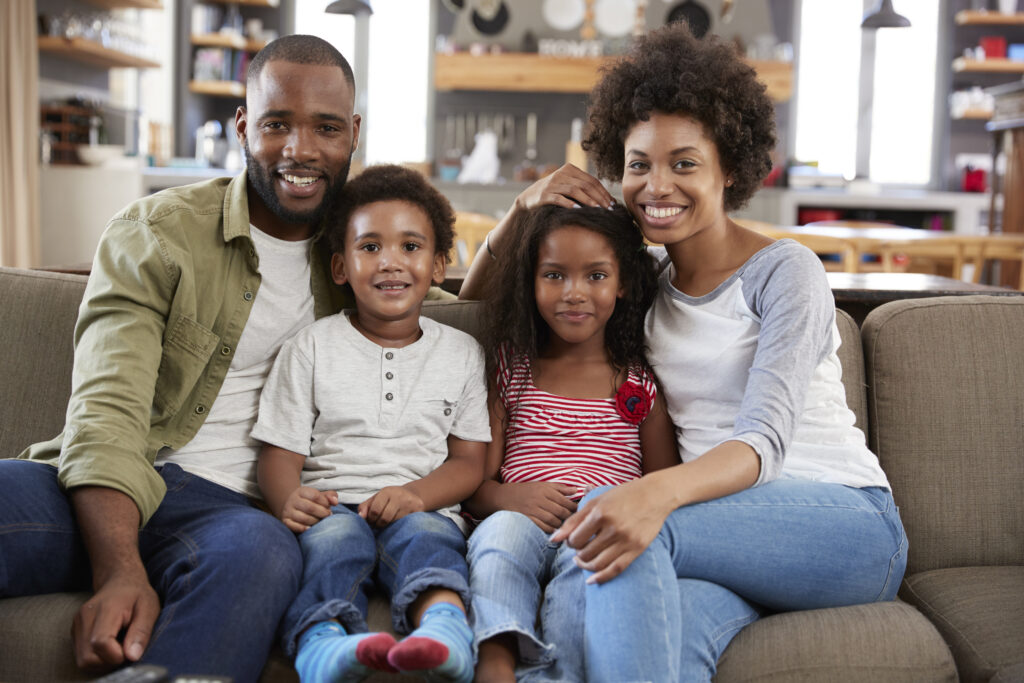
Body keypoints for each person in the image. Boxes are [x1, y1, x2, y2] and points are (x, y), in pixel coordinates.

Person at [463, 24, 907, 682]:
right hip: (722, 539)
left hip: (841, 524)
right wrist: (523, 208)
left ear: (731, 169)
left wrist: (645, 497)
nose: (655, 184)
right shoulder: (646, 287)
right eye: (639, 163)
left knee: (616, 524)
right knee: (642, 632)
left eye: (684, 163)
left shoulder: (786, 271)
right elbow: (476, 308)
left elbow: (764, 444)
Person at [0, 35, 385, 681]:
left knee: (263, 550)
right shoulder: (157, 231)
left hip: (230, 520)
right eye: (276, 124)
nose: (301, 150)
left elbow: (460, 309)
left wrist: (520, 217)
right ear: (242, 127)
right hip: (107, 483)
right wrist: (119, 567)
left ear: (353, 134)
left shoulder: (361, 257)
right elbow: (108, 410)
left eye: (325, 128)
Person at [252, 163, 490, 683]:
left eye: (410, 247)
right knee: (335, 545)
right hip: (333, 505)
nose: (391, 263)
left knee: (430, 539)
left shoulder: (462, 353)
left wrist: (417, 496)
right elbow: (278, 455)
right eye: (369, 247)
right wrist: (287, 498)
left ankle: (445, 630)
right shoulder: (311, 346)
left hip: (422, 505)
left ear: (437, 265)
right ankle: (322, 641)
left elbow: (470, 462)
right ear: (340, 266)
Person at [461, 204, 679, 682]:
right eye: (554, 275)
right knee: (499, 542)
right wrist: (505, 496)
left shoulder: (637, 385)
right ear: (532, 283)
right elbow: (475, 481)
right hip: (515, 517)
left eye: (595, 276)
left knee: (588, 576)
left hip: (593, 530)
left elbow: (663, 490)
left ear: (621, 284)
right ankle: (494, 658)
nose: (574, 294)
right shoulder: (512, 368)